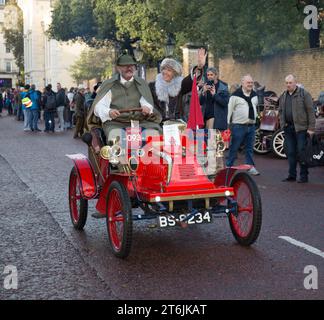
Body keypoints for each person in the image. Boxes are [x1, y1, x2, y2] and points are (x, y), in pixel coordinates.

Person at [87, 54, 162, 143]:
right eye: (125, 66)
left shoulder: (142, 83)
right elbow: (99, 106)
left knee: (156, 135)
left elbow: (146, 102)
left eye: (132, 66)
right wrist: (109, 112)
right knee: (116, 138)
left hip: (140, 122)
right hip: (116, 123)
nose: (129, 68)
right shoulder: (109, 84)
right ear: (118, 68)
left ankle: (151, 157)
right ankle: (120, 156)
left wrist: (147, 108)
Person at [149, 48, 207, 123]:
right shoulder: (152, 86)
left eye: (169, 70)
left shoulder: (180, 85)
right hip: (158, 123)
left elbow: (191, 80)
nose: (165, 72)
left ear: (175, 74)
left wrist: (199, 68)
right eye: (164, 69)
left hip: (177, 123)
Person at [279, 75, 316, 183]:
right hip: (288, 128)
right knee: (290, 152)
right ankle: (292, 175)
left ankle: (304, 176)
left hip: (301, 129)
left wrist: (311, 128)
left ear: (296, 82)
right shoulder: (284, 95)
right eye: (286, 83)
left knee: (301, 152)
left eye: (290, 82)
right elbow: (281, 111)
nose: (288, 85)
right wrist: (282, 125)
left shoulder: (304, 94)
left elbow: (310, 112)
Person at [227, 74, 260, 176]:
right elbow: (229, 111)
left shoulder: (255, 95)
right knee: (234, 147)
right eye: (248, 83)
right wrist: (227, 126)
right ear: (242, 83)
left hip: (251, 126)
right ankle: (229, 167)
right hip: (238, 126)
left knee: (249, 148)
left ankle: (250, 166)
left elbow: (255, 108)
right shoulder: (235, 96)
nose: (250, 84)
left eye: (251, 82)